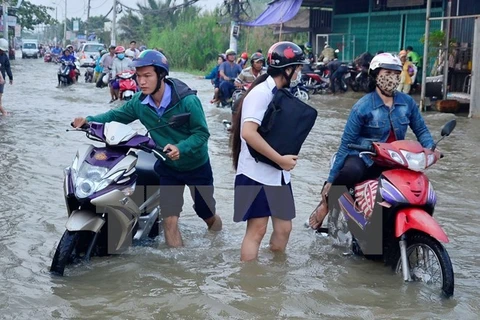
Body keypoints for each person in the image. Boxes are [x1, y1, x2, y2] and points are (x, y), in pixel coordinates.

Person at [72, 50, 223, 247]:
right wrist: (88, 121)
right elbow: (116, 116)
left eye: (147, 76)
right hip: (168, 167)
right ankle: (177, 269)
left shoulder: (187, 100)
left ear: (161, 75)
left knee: (206, 213)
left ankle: (219, 239)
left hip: (196, 166)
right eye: (138, 76)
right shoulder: (139, 102)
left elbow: (202, 134)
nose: (141, 81)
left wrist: (180, 148)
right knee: (169, 221)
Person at [308, 53, 434, 229]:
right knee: (351, 172)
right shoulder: (363, 106)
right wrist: (330, 180)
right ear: (376, 75)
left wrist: (430, 149)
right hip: (364, 155)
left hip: (394, 158)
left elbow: (421, 130)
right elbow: (346, 142)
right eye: (387, 73)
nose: (392, 78)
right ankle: (326, 205)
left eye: (396, 73)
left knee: (416, 186)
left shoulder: (407, 103)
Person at [230, 41, 309, 261]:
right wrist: (281, 160)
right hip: (255, 173)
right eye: (298, 68)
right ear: (288, 69)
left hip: (278, 174)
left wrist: (282, 162)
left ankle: (275, 280)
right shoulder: (260, 93)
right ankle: (250, 285)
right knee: (257, 230)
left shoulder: (280, 93)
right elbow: (248, 133)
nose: (300, 73)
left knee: (285, 229)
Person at [0, 38, 13, 116]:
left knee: (0, 98)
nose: (2, 51)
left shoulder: (4, 56)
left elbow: (8, 67)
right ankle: (4, 113)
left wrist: (11, 77)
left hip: (1, 80)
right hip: (1, 79)